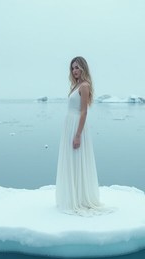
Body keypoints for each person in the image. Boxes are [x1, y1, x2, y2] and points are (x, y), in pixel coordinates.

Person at [55, 56, 104, 216]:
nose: (75, 70)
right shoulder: (75, 86)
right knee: (71, 160)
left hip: (77, 126)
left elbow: (84, 112)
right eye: (72, 68)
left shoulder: (84, 86)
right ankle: (72, 196)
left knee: (77, 159)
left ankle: (80, 199)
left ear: (83, 68)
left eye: (77, 67)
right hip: (70, 124)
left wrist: (77, 135)